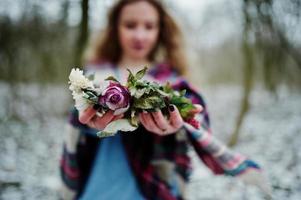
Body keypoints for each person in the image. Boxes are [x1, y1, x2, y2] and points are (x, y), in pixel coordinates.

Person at [59, 0, 269, 199]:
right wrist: (89, 121)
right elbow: (78, 127)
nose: (140, 35)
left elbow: (195, 113)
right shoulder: (95, 76)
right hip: (100, 185)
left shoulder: (170, 80)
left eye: (149, 26)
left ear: (160, 31)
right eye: (130, 25)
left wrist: (177, 124)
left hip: (154, 187)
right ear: (115, 28)